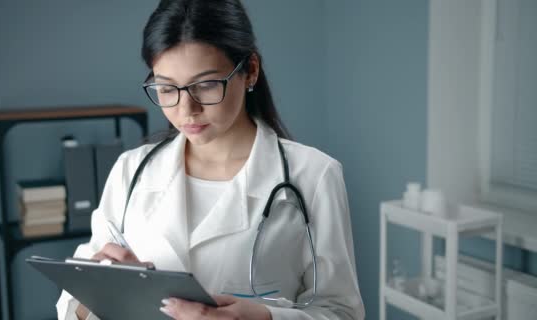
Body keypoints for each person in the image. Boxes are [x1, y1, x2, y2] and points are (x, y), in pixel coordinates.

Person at [56, 0, 365, 319]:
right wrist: (93, 297)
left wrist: (264, 318)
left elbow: (341, 311)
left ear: (250, 72)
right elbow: (74, 301)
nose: (186, 109)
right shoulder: (131, 170)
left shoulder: (313, 175)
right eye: (166, 88)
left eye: (205, 85)